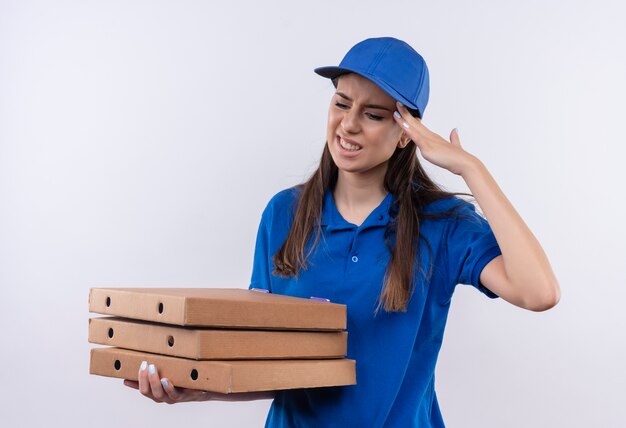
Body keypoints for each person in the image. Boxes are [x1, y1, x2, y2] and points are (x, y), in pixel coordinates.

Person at [124, 37, 560, 427]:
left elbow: (539, 292)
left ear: (407, 133)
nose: (348, 124)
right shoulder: (284, 214)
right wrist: (197, 388)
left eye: (372, 114)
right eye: (340, 102)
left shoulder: (443, 224)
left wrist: (470, 168)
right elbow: (268, 364)